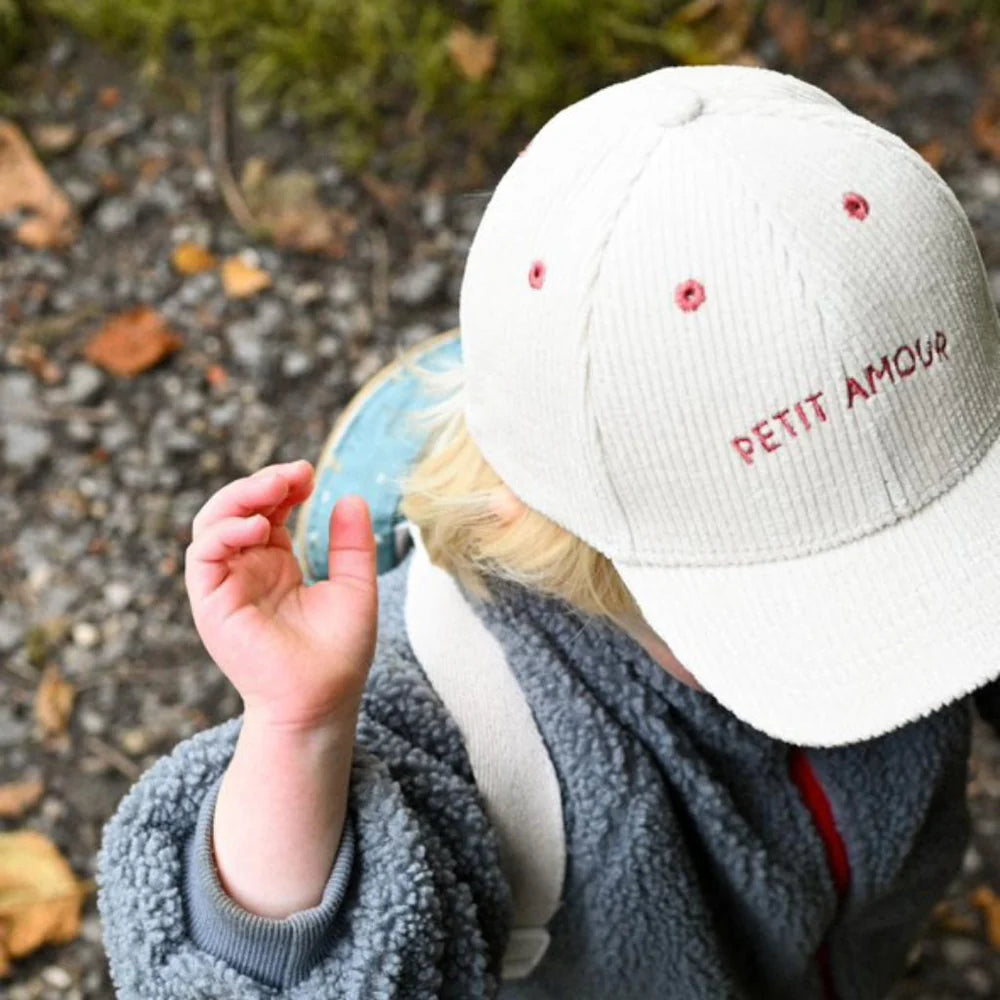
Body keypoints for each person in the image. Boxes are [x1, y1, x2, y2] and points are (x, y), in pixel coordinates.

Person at [97, 63, 1000, 1000]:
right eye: (804, 593)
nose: (881, 634)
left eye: (941, 549)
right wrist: (300, 732)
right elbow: (262, 978)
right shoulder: (472, 709)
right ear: (546, 526)